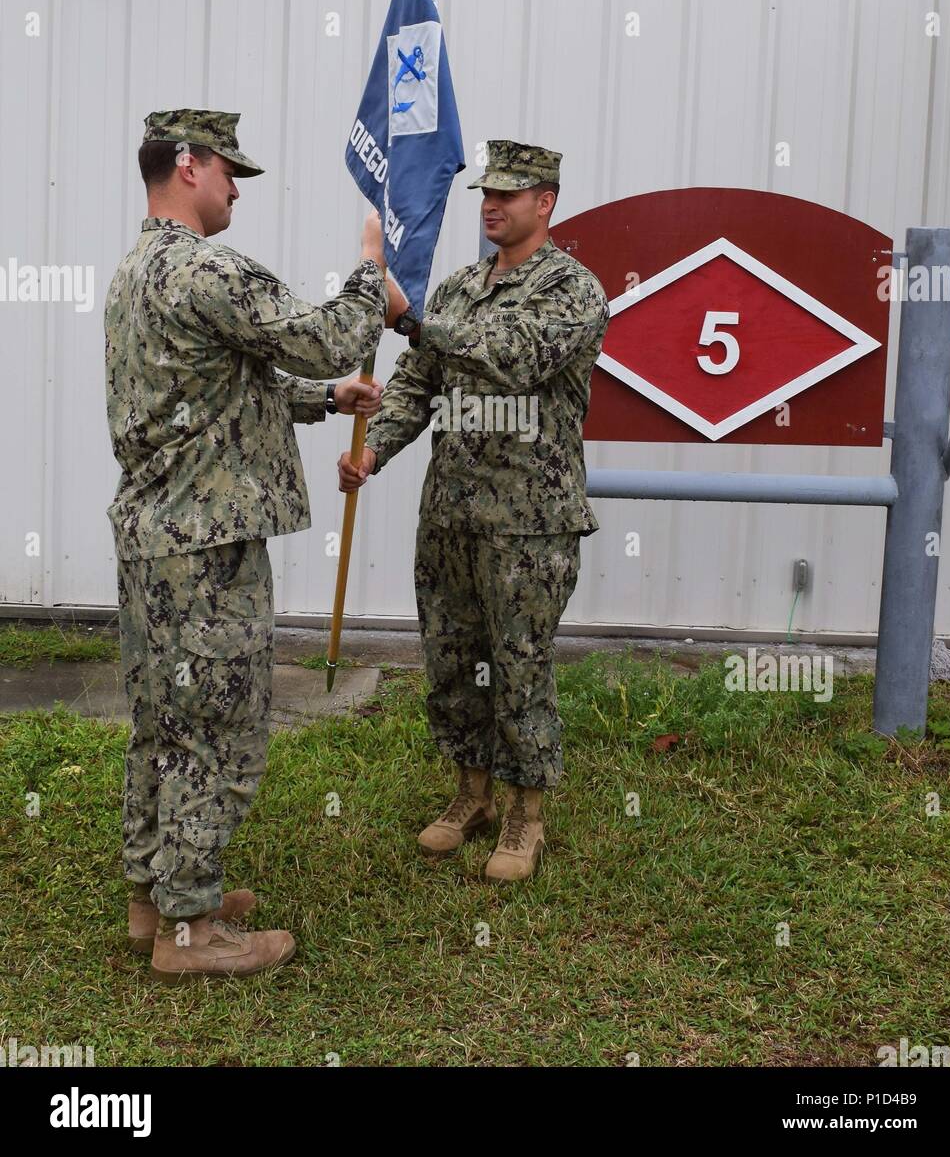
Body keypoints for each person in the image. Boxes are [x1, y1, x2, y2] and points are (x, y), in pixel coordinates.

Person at [105, 109, 408, 981]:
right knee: (220, 728)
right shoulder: (204, 266)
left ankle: (154, 894)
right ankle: (191, 932)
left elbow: (221, 386)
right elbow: (319, 335)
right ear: (189, 166)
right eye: (229, 170)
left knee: (161, 721)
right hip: (208, 546)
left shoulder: (139, 270)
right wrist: (369, 272)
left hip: (156, 538)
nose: (237, 187)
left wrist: (326, 400)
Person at [338, 140, 610, 882]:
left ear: (544, 201)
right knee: (454, 661)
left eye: (509, 194)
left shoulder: (572, 292)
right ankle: (471, 795)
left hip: (529, 519)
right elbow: (416, 384)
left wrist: (411, 320)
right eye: (486, 193)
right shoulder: (457, 288)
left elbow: (513, 356)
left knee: (519, 666)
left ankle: (527, 814)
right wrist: (373, 452)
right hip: (452, 511)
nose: (492, 205)